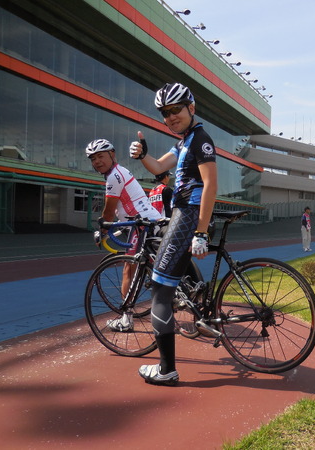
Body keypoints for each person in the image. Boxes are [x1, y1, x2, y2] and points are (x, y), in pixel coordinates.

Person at [129, 82, 218, 386]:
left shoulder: (199, 140)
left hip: (188, 215)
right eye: (165, 113)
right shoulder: (183, 142)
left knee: (159, 291)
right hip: (181, 215)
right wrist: (143, 154)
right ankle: (198, 298)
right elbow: (157, 166)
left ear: (191, 108)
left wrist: (202, 232)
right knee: (168, 277)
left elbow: (211, 186)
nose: (170, 117)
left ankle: (167, 370)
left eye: (175, 110)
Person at [86, 138, 162, 331]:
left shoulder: (113, 177)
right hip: (147, 222)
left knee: (129, 269)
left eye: (101, 156)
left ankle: (126, 319)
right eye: (93, 159)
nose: (97, 162)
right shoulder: (121, 171)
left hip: (141, 226)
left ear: (112, 155)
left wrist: (103, 231)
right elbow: (123, 210)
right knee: (158, 267)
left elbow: (109, 213)